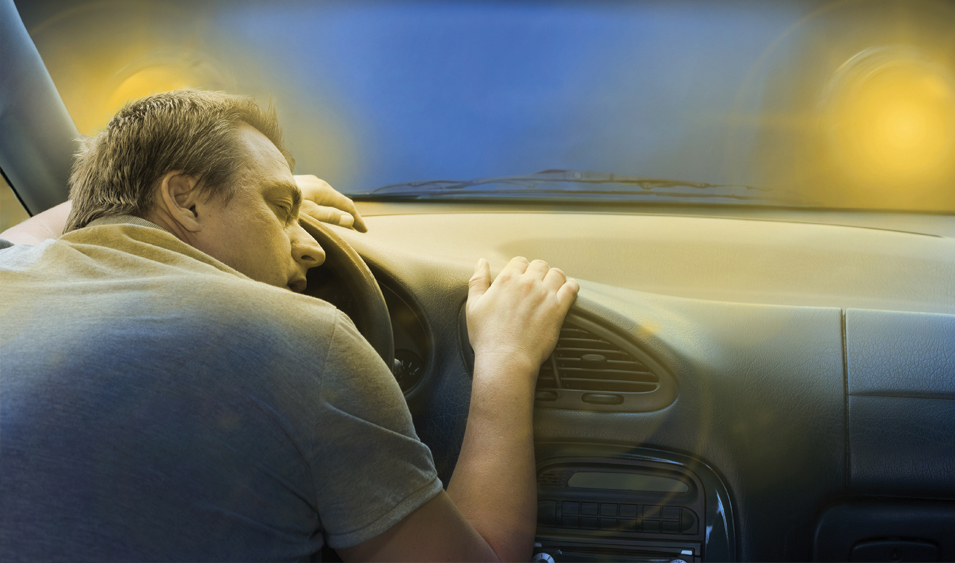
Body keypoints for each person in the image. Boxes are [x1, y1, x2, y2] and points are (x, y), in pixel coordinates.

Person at [0, 90, 579, 562]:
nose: (314, 250)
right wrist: (506, 358)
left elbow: (63, 226)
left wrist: (280, 197)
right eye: (282, 211)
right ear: (186, 200)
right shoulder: (302, 338)